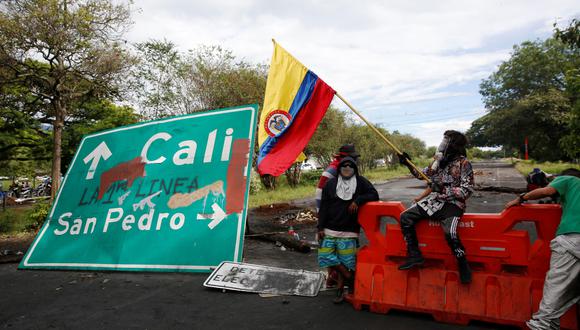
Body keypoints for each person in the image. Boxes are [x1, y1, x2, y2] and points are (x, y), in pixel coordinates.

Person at [504, 168, 580, 330]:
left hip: (573, 238)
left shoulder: (569, 180)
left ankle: (542, 325)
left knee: (556, 286)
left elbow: (547, 191)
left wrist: (521, 198)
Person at [397, 130, 474, 284]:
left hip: (453, 203)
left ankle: (462, 263)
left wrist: (444, 189)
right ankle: (414, 255)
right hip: (435, 201)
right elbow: (422, 175)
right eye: (443, 139)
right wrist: (407, 163)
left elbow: (467, 190)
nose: (442, 143)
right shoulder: (438, 161)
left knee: (450, 232)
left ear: (453, 145)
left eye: (446, 140)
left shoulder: (464, 163)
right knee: (405, 217)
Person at [318, 156, 379, 303]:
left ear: (355, 169)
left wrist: (358, 200)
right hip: (329, 228)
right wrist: (320, 226)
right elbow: (324, 207)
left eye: (350, 166)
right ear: (339, 168)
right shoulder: (331, 184)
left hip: (349, 229)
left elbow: (374, 195)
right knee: (325, 256)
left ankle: (340, 290)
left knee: (346, 261)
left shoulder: (361, 182)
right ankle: (350, 278)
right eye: (344, 165)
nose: (347, 168)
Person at [315, 144, 360, 213]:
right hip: (328, 204)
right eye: (353, 158)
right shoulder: (335, 170)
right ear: (345, 158)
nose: (354, 160)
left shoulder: (344, 168)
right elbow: (321, 190)